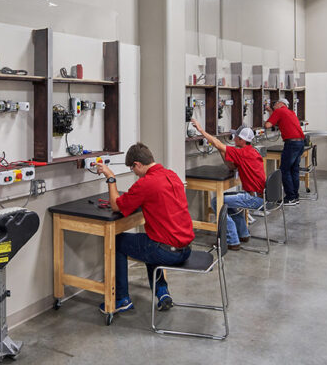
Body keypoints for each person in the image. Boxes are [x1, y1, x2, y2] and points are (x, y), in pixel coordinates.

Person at [96, 143, 194, 313]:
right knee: (149, 241)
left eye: (132, 169)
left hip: (167, 252)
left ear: (138, 164)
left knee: (117, 241)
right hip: (185, 249)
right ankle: (162, 292)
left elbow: (116, 206)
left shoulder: (146, 183)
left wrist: (110, 177)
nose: (134, 173)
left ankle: (121, 299)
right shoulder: (172, 175)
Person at [190, 121, 265, 250]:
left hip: (253, 199)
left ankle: (232, 240)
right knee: (225, 203)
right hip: (259, 197)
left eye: (236, 136)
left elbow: (218, 143)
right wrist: (220, 150)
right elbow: (230, 165)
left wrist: (201, 130)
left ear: (241, 140)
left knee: (216, 202)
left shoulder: (242, 153)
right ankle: (243, 233)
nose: (233, 138)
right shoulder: (251, 151)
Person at [264, 97, 306, 205]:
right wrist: (270, 112)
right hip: (300, 142)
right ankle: (295, 196)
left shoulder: (279, 111)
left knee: (284, 170)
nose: (274, 105)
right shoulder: (290, 112)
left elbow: (268, 125)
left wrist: (265, 122)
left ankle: (290, 197)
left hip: (291, 144)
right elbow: (279, 120)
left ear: (280, 104)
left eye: (275, 103)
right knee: (294, 170)